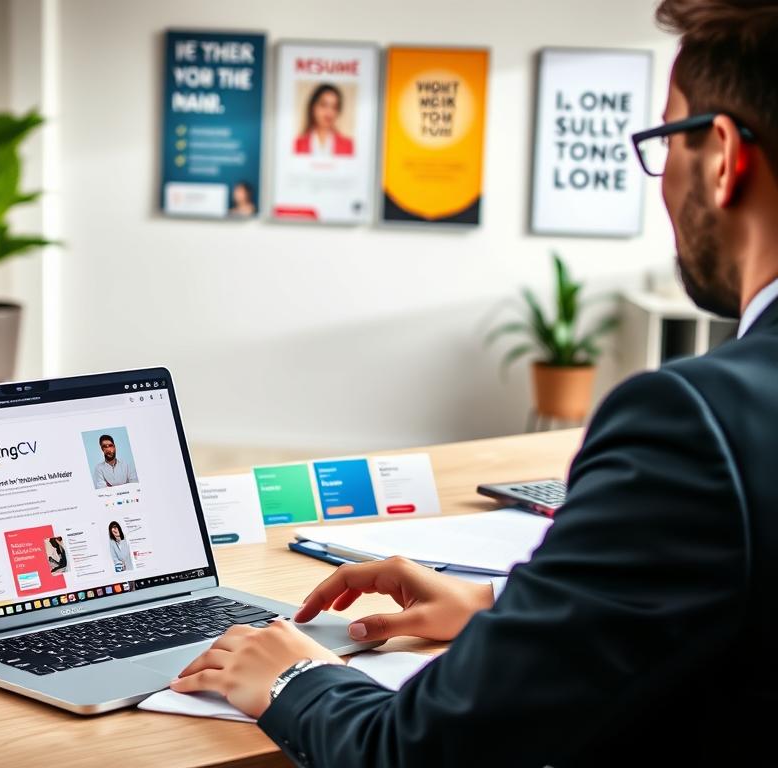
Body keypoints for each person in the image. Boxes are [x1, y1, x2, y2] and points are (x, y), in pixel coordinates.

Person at [171, 2, 778, 764]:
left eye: (664, 141)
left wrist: (292, 677)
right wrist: (500, 609)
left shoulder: (692, 420)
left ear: (721, 156)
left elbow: (423, 751)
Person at [293, 84, 354, 156]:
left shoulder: (348, 144)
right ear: (313, 107)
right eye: (323, 105)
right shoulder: (297, 144)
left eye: (334, 107)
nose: (329, 112)